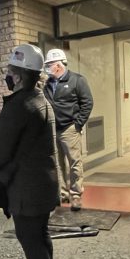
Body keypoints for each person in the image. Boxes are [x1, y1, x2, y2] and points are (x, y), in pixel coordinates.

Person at [0, 44, 61, 259]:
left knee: (31, 239)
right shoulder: (41, 99)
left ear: (17, 76)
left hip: (28, 188)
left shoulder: (19, 105)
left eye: (9, 71)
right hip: (43, 185)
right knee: (40, 237)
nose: (7, 75)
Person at [43, 48, 93, 210]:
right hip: (52, 130)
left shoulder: (77, 80)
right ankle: (62, 194)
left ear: (58, 65)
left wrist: (77, 124)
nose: (47, 68)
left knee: (74, 162)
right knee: (58, 164)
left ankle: (76, 194)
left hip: (69, 128)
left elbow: (87, 103)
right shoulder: (48, 84)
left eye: (49, 64)